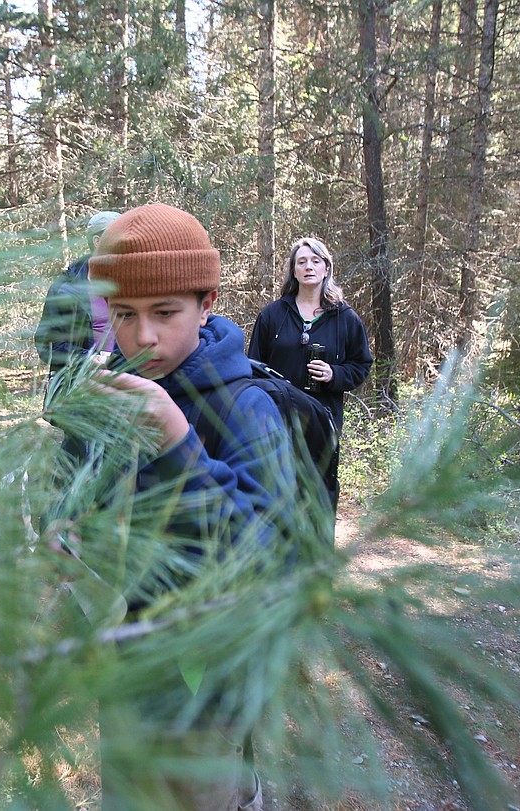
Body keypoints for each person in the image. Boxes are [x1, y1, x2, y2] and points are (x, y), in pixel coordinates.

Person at [77, 203, 298, 810]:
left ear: (206, 305)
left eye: (165, 313)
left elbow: (262, 553)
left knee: (196, 787)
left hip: (209, 666)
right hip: (134, 647)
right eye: (125, 314)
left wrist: (177, 442)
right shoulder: (122, 391)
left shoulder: (247, 408)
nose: (143, 336)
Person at [247, 237, 372, 504]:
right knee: (275, 493)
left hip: (322, 420)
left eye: (315, 261)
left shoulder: (344, 318)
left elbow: (361, 365)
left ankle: (317, 546)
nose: (309, 267)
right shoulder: (272, 316)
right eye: (301, 262)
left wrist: (334, 375)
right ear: (293, 270)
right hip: (276, 422)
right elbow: (253, 368)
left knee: (317, 495)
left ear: (326, 268)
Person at [34, 210, 121, 373]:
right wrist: (88, 359)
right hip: (82, 383)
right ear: (97, 241)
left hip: (130, 381)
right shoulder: (64, 290)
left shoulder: (136, 283)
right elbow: (48, 346)